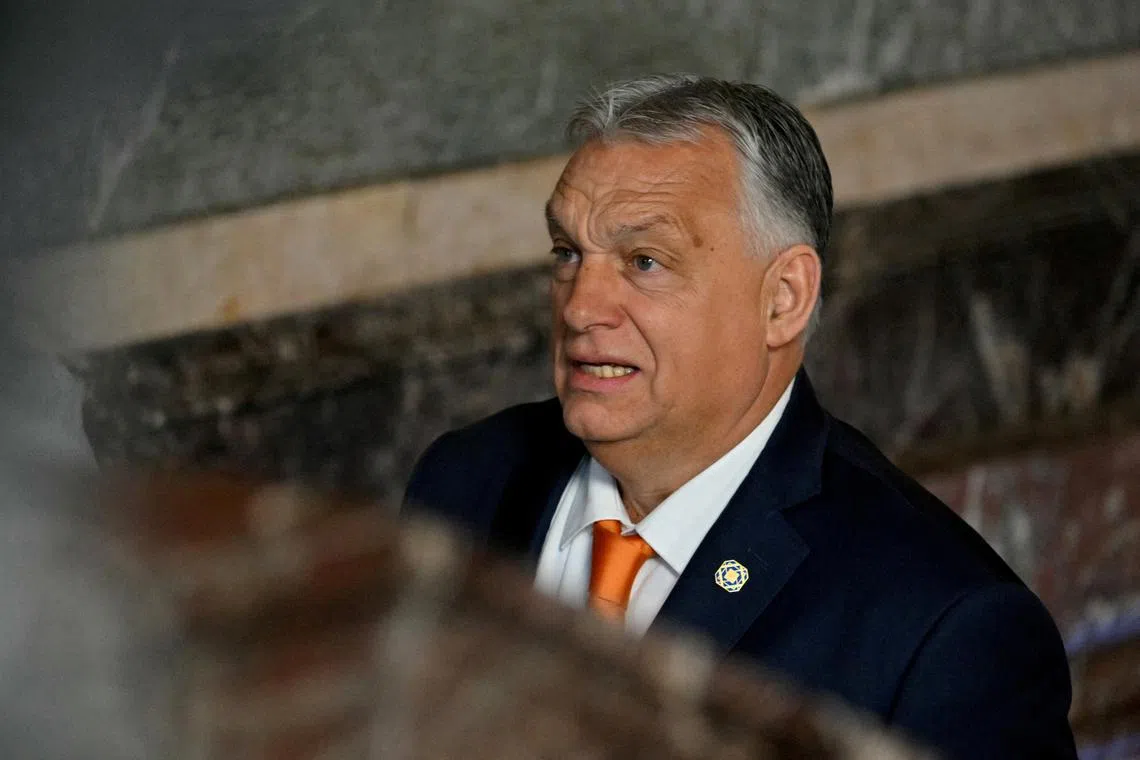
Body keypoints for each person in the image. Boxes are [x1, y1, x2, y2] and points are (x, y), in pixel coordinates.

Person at [404, 75, 1076, 759]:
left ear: (783, 298)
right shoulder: (465, 480)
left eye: (644, 261)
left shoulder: (947, 633)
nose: (580, 307)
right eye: (568, 254)